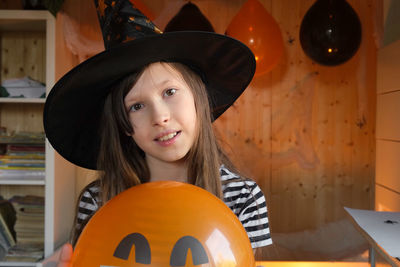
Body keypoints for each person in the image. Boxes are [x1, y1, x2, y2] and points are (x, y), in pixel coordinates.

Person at [43, 0, 272, 265]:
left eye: (170, 92)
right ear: (123, 125)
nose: (160, 117)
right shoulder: (98, 200)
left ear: (199, 98)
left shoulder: (243, 197)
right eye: (137, 106)